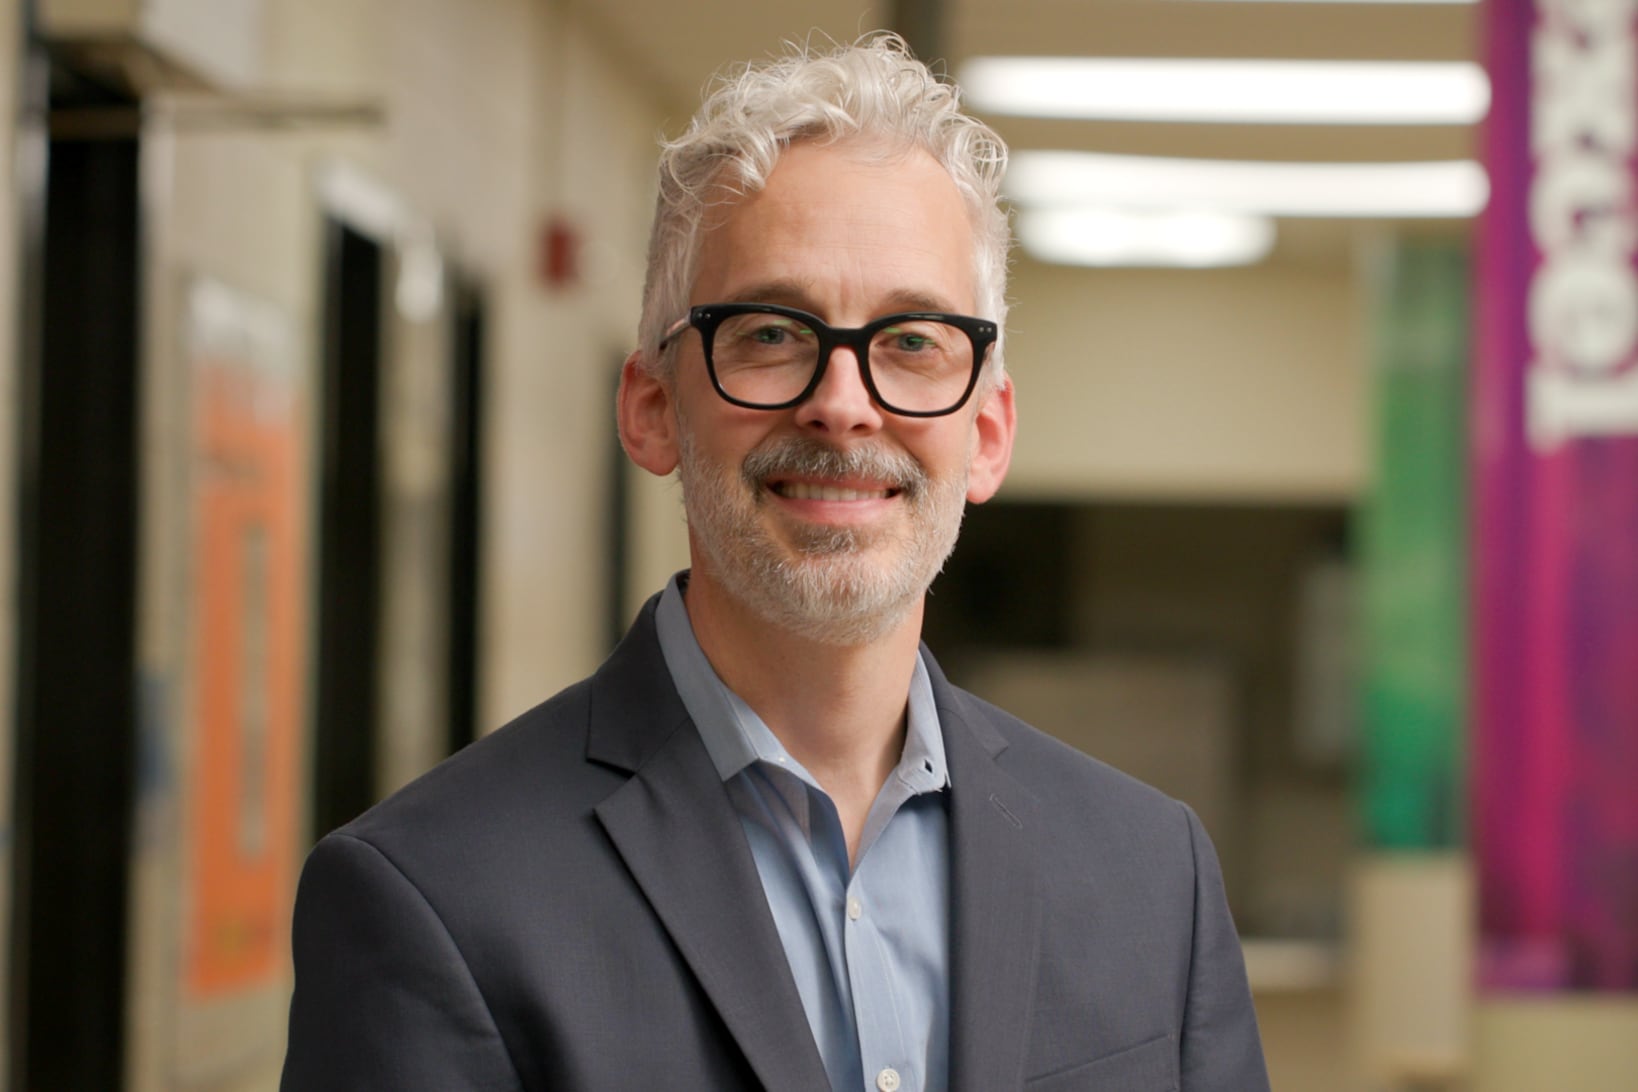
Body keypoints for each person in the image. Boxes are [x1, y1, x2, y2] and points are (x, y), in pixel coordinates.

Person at [281, 34, 1268, 1092]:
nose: (844, 403)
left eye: (912, 340)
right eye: (770, 334)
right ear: (653, 410)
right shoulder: (435, 896)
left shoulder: (1149, 878)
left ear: (987, 433)